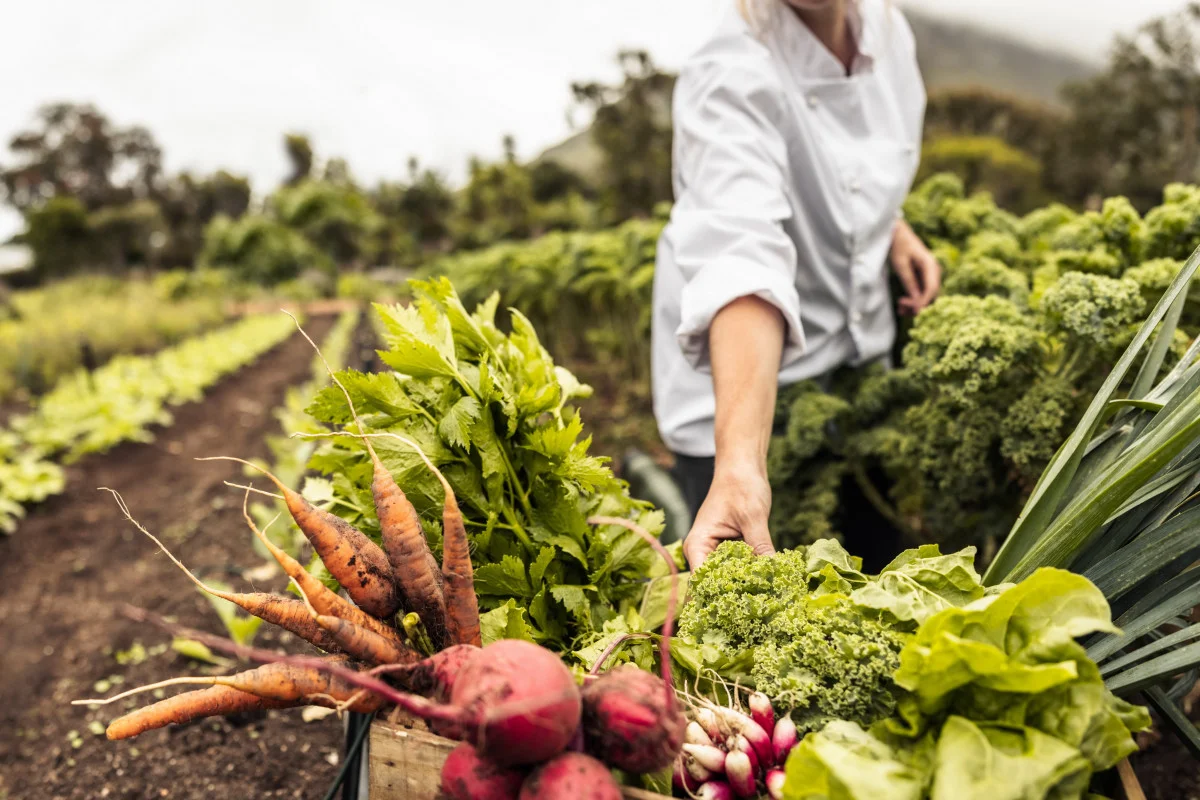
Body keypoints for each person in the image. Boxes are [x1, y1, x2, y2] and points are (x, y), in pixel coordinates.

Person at [651, 0, 941, 570]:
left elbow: (858, 160)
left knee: (876, 555)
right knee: (763, 607)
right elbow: (741, 253)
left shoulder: (886, 30)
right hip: (739, 384)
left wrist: (892, 226)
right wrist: (738, 463)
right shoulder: (730, 69)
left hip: (852, 358)